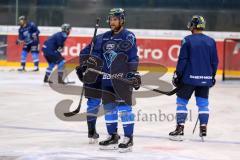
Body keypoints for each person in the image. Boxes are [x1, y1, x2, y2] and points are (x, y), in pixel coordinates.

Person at [76, 8, 141, 152]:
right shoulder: (104, 37)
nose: (112, 22)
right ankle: (113, 136)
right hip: (106, 78)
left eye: (115, 19)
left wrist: (133, 73)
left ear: (122, 20)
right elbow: (94, 55)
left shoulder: (128, 36)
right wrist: (86, 64)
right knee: (109, 108)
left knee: (124, 108)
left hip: (122, 78)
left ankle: (128, 138)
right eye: (111, 19)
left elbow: (132, 56)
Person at [169, 15, 219, 141]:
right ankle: (203, 128)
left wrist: (177, 74)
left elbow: (183, 60)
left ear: (193, 25)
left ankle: (180, 129)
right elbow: (215, 62)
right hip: (205, 79)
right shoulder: (211, 41)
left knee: (181, 102)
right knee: (203, 104)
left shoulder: (187, 40)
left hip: (188, 78)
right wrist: (211, 76)